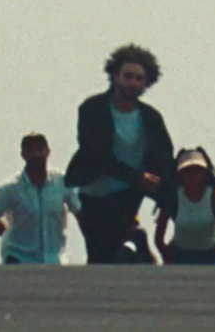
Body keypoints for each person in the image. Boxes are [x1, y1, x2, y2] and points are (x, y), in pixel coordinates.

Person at [64, 43, 175, 264]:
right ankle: (137, 246)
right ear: (115, 76)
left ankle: (136, 242)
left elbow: (164, 157)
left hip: (128, 193)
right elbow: (96, 154)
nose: (133, 83)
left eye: (139, 78)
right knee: (99, 255)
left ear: (146, 83)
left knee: (115, 246)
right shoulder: (92, 109)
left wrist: (168, 193)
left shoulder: (151, 118)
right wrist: (137, 176)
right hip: (95, 191)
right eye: (128, 76)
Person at [0, 133, 83, 264]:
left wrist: (93, 250)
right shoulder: (10, 189)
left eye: (40, 149)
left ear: (47, 152)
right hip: (18, 258)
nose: (36, 154)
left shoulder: (62, 183)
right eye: (30, 150)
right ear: (23, 154)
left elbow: (80, 214)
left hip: (55, 259)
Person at [154, 147, 215, 265]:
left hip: (209, 256)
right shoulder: (173, 198)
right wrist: (168, 256)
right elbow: (159, 237)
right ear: (180, 174)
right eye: (188, 171)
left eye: (197, 170)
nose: (193, 175)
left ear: (205, 172)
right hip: (179, 255)